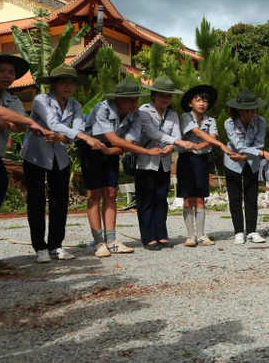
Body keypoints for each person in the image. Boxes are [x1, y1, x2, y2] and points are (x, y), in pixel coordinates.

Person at [23, 65, 103, 263]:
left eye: (72, 83)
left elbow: (77, 128)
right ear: (54, 84)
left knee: (60, 200)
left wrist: (64, 138)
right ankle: (40, 247)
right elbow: (53, 124)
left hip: (60, 156)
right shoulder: (41, 100)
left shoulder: (75, 105)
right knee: (36, 200)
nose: (68, 86)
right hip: (35, 155)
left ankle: (56, 245)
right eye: (63, 82)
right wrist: (83, 137)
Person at [0, 53, 51, 275]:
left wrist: (9, 123)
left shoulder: (13, 100)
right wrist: (30, 122)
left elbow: (17, 125)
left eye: (11, 72)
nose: (7, 76)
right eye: (1, 70)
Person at [81, 78, 161, 257]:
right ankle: (99, 242)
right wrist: (146, 152)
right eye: (128, 99)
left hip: (112, 149)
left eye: (136, 99)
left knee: (110, 192)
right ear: (117, 99)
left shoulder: (137, 115)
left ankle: (111, 240)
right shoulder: (101, 108)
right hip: (91, 147)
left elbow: (128, 143)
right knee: (94, 194)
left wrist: (112, 151)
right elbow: (114, 138)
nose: (133, 103)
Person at [133, 76, 195, 251]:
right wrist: (177, 142)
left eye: (168, 95)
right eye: (161, 95)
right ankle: (148, 238)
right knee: (146, 199)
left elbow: (176, 135)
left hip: (164, 163)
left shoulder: (172, 114)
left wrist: (172, 147)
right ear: (153, 95)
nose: (165, 99)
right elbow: (152, 133)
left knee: (161, 199)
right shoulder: (144, 111)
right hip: (145, 162)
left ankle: (161, 235)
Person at [178, 84, 243, 247]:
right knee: (188, 198)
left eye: (205, 101)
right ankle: (190, 236)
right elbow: (197, 132)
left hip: (201, 159)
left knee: (200, 197)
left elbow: (211, 138)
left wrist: (198, 146)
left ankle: (201, 234)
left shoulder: (211, 120)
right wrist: (219, 145)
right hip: (186, 159)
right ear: (190, 103)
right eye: (198, 100)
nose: (202, 103)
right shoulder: (185, 117)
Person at [224, 89, 269, 245]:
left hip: (252, 162)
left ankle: (251, 231)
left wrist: (247, 156)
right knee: (235, 197)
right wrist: (261, 153)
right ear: (238, 110)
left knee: (251, 196)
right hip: (233, 162)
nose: (252, 113)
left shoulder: (260, 121)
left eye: (254, 109)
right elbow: (239, 146)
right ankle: (238, 232)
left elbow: (259, 144)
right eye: (248, 110)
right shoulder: (229, 123)